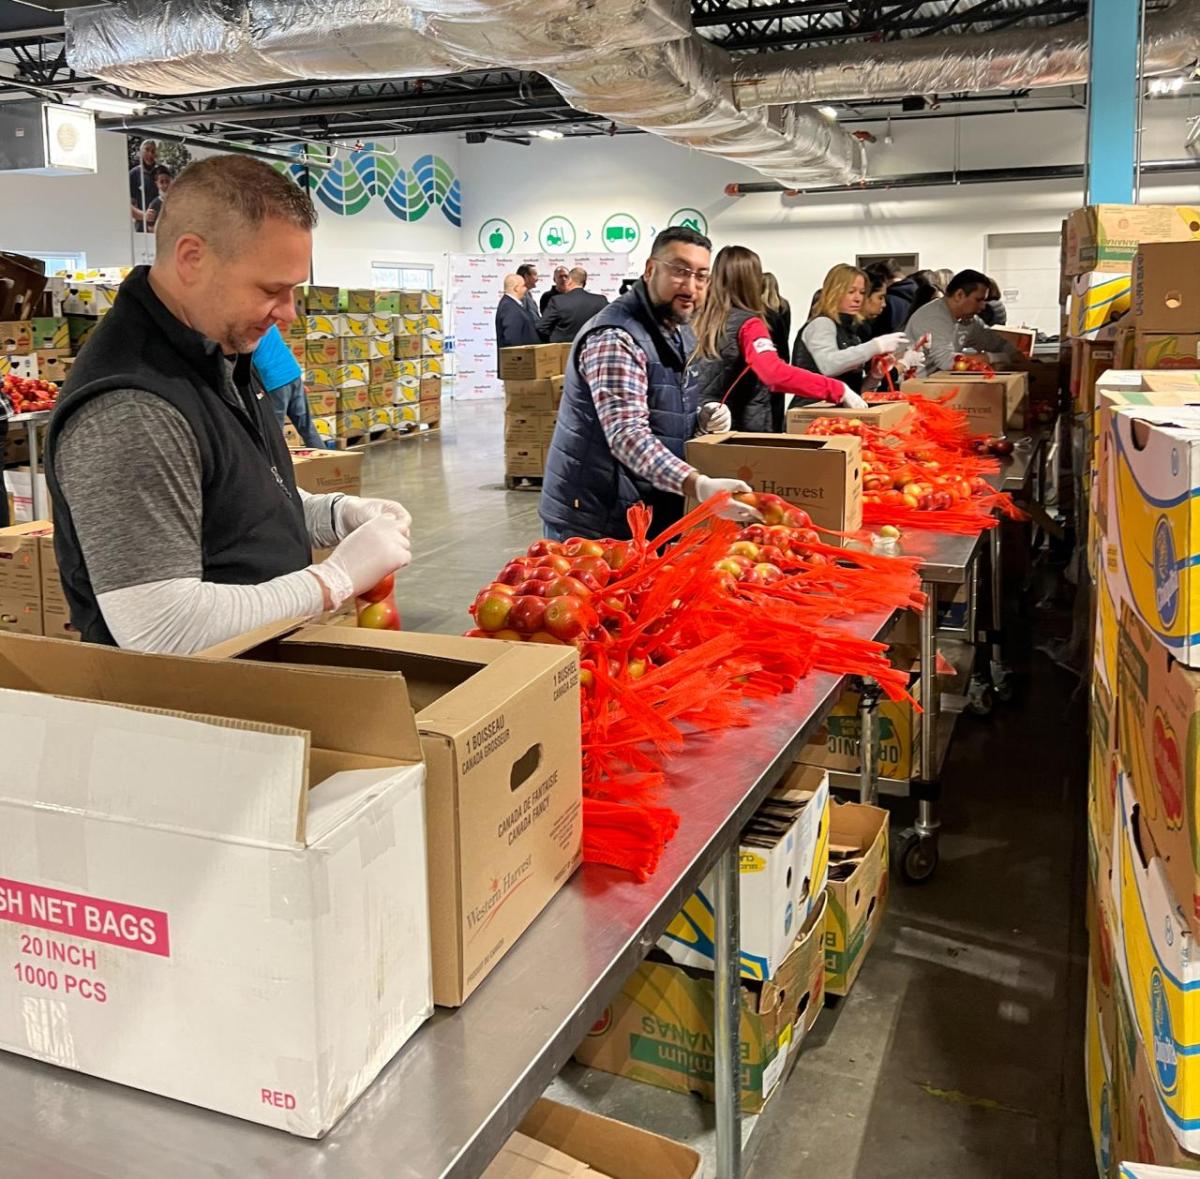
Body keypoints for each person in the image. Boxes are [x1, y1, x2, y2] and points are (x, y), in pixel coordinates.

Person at [45, 154, 414, 653]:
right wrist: (334, 581)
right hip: (188, 717)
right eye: (271, 289)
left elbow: (230, 500)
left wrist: (333, 515)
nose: (287, 313)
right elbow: (161, 630)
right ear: (192, 258)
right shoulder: (133, 408)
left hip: (250, 685)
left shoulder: (218, 353)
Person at [539, 226, 760, 541]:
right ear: (650, 269)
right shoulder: (616, 337)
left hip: (641, 508)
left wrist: (700, 418)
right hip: (594, 521)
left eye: (701, 276)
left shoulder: (676, 328)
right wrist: (697, 485)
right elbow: (628, 435)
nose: (691, 286)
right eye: (680, 271)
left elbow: (659, 406)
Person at [690, 245, 863, 433]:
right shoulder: (749, 324)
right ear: (753, 281)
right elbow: (773, 373)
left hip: (696, 427)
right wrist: (837, 389)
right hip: (740, 436)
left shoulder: (696, 320)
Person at [793, 264, 912, 399]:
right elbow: (829, 365)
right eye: (851, 291)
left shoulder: (851, 331)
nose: (858, 298)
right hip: (812, 412)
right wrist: (875, 346)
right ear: (835, 292)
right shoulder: (822, 324)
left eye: (862, 292)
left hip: (837, 413)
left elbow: (854, 392)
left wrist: (874, 376)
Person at [906, 268, 1023, 375]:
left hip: (934, 383)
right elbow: (947, 361)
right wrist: (998, 358)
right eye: (978, 300)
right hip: (913, 385)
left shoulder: (969, 320)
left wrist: (1015, 353)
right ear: (959, 295)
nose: (983, 306)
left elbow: (993, 341)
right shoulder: (933, 317)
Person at [254, 323, 327, 450]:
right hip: (293, 374)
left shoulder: (244, 328)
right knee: (306, 427)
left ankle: (279, 468)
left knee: (274, 433)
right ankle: (327, 464)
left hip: (274, 382)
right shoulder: (267, 321)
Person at [536, 267, 607, 343]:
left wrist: (555, 339)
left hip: (563, 351)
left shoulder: (558, 301)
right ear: (585, 283)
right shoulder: (600, 301)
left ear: (569, 280)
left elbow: (541, 327)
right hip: (591, 348)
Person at [495, 273, 539, 370]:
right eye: (523, 286)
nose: (526, 289)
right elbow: (512, 339)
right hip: (519, 368)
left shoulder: (512, 305)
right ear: (516, 288)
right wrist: (521, 364)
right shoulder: (509, 307)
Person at [129, 139, 159, 234]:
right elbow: (128, 205)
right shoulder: (134, 174)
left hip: (159, 228)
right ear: (140, 152)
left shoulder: (160, 173)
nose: (150, 154)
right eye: (147, 150)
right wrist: (144, 215)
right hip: (141, 230)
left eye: (153, 151)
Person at [146, 166, 173, 231]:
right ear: (156, 184)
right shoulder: (154, 204)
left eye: (167, 181)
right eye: (161, 182)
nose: (165, 185)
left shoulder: (177, 201)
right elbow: (150, 228)